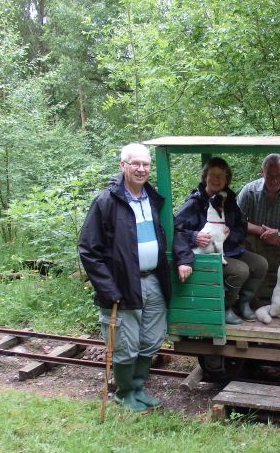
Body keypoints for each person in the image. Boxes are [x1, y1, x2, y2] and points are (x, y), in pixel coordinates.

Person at [78, 143, 172, 412]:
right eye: (136, 164)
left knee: (151, 339)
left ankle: (139, 387)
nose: (141, 169)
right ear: (123, 166)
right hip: (122, 285)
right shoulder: (107, 201)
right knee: (125, 343)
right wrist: (109, 289)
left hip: (153, 280)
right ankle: (124, 392)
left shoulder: (153, 198)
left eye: (146, 164)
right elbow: (88, 248)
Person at [174, 157, 268, 325]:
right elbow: (176, 229)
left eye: (221, 176)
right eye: (212, 175)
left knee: (260, 264)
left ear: (227, 179)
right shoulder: (194, 203)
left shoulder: (229, 201)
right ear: (205, 177)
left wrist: (229, 235)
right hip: (205, 254)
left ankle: (244, 303)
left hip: (230, 250)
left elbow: (242, 226)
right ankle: (225, 307)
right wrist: (194, 237)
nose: (216, 179)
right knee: (240, 270)